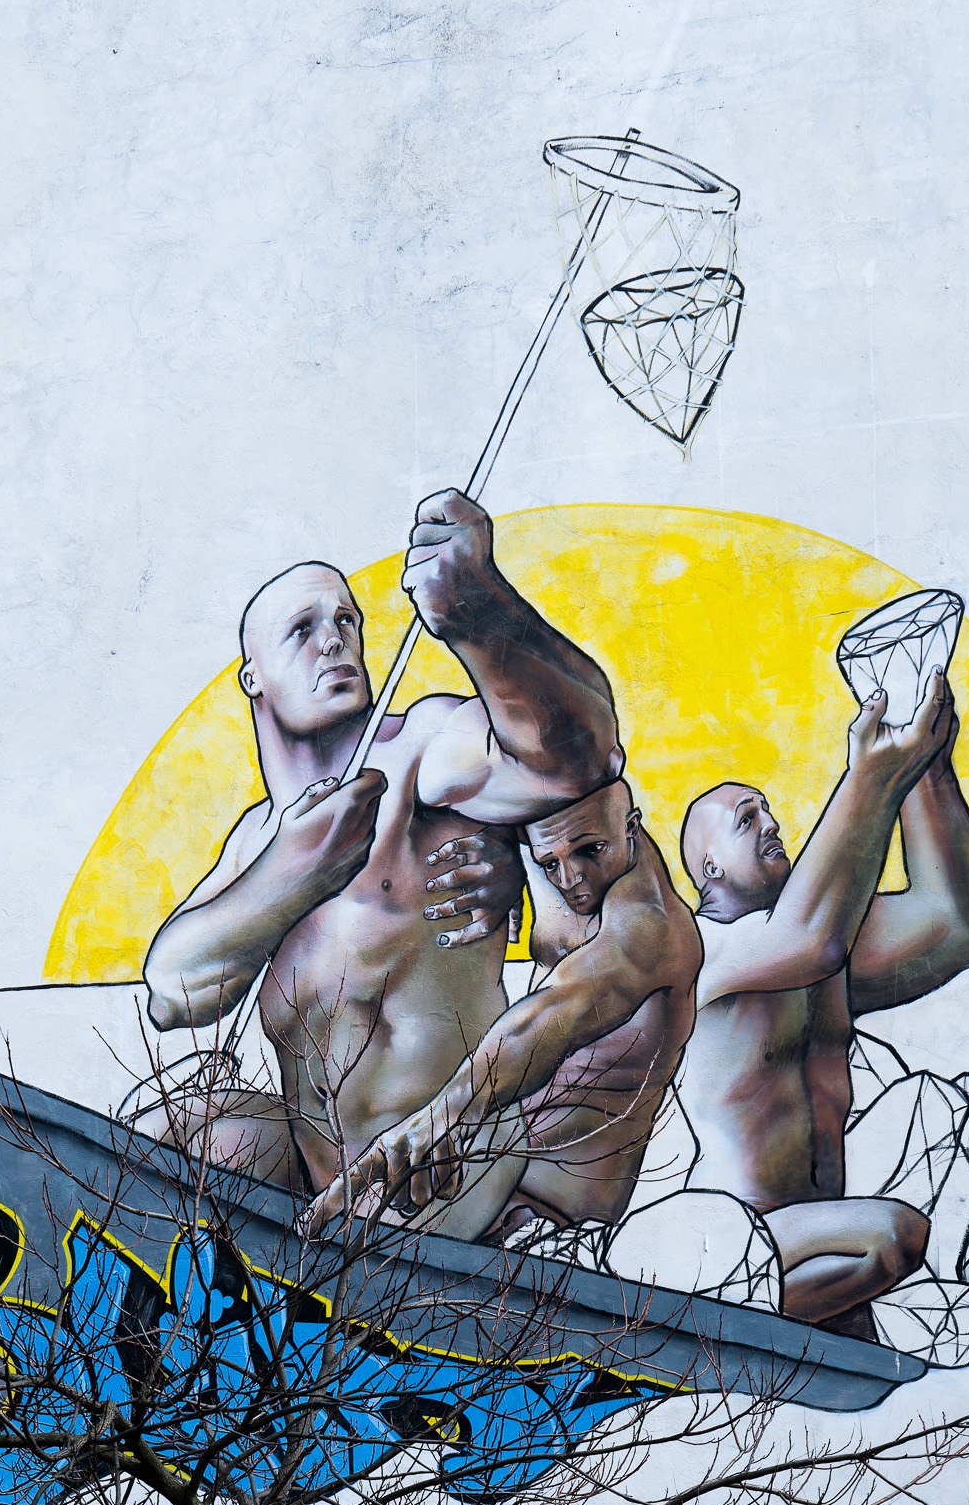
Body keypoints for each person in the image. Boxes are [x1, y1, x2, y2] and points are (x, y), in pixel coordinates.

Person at [141, 489, 621, 1240]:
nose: (334, 642)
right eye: (303, 630)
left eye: (346, 622)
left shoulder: (421, 749)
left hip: (440, 1169)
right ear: (253, 677)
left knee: (357, 1226)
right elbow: (175, 993)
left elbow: (577, 755)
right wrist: (296, 873)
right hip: (320, 1179)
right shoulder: (259, 840)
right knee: (180, 1132)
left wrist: (481, 614)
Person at [674, 667, 969, 1337]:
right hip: (736, 1238)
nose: (771, 823)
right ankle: (712, 1317)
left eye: (768, 810)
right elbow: (808, 940)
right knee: (894, 1237)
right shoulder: (701, 950)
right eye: (746, 819)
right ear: (710, 868)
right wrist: (871, 777)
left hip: (816, 1245)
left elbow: (962, 929)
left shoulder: (823, 961)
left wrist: (926, 768)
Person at [302, 779, 701, 1236]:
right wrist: (506, 852)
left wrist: (445, 1113)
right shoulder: (562, 824)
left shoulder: (649, 927)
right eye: (549, 863)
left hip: (547, 1223)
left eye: (590, 851)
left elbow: (554, 1016)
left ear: (630, 827)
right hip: (483, 1182)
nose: (570, 879)